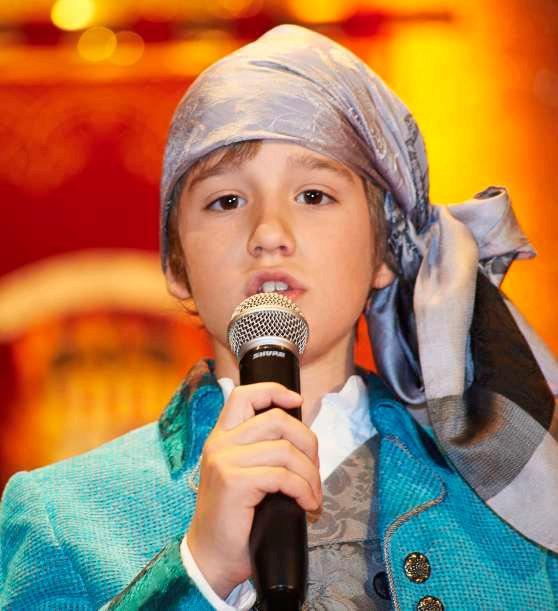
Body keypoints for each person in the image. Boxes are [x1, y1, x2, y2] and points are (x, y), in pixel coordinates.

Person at [1, 24, 557, 610]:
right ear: (177, 265)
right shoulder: (63, 515)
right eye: (226, 200)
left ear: (383, 252)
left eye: (314, 195)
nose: (268, 233)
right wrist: (199, 570)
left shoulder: (512, 502)